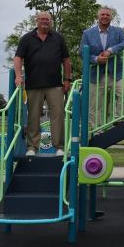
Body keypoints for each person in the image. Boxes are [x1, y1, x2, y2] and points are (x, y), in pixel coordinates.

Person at [14, 11, 72, 156]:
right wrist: (18, 76)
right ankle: (32, 147)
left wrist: (67, 79)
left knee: (58, 115)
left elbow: (66, 60)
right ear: (36, 21)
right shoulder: (27, 39)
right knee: (33, 117)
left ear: (50, 21)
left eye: (47, 19)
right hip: (33, 84)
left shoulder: (58, 38)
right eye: (42, 19)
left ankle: (59, 147)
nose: (45, 21)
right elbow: (18, 58)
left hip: (55, 85)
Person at [81, 8, 124, 129]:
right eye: (102, 14)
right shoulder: (87, 33)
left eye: (107, 15)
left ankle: (117, 118)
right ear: (98, 17)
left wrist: (111, 50)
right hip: (95, 75)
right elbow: (82, 52)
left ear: (111, 17)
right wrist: (96, 59)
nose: (105, 16)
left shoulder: (118, 31)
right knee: (94, 105)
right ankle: (97, 129)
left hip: (115, 73)